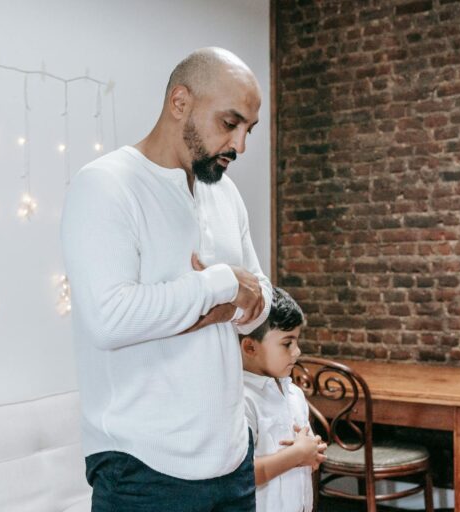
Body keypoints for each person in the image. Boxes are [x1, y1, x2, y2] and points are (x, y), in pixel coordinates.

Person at [61, 47, 273, 511]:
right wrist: (216, 288)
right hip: (142, 471)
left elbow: (261, 296)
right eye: (230, 123)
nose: (240, 146)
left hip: (233, 461)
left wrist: (216, 306)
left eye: (248, 130)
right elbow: (109, 319)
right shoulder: (105, 185)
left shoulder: (225, 193)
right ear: (180, 103)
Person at [240, 287, 327, 512]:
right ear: (250, 346)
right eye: (287, 343)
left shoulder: (294, 394)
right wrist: (297, 454)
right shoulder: (242, 400)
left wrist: (311, 453)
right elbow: (242, 475)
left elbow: (304, 456)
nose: (297, 352)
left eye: (297, 342)